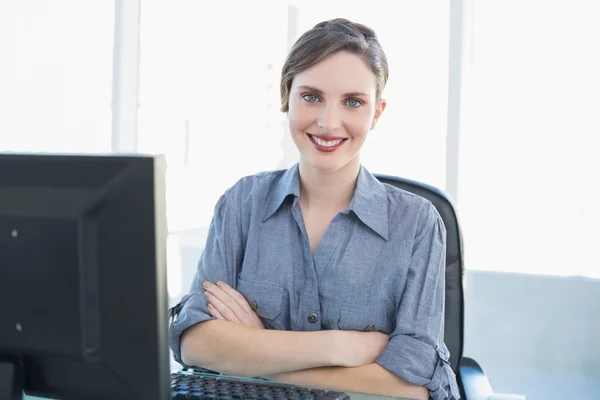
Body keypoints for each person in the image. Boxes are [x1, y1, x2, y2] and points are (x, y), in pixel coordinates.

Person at [169, 18, 460, 400]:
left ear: (377, 113)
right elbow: (196, 344)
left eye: (353, 102)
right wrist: (340, 347)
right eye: (311, 96)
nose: (328, 122)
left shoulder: (418, 223)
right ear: (286, 97)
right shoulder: (242, 203)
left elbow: (410, 386)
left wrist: (257, 349)